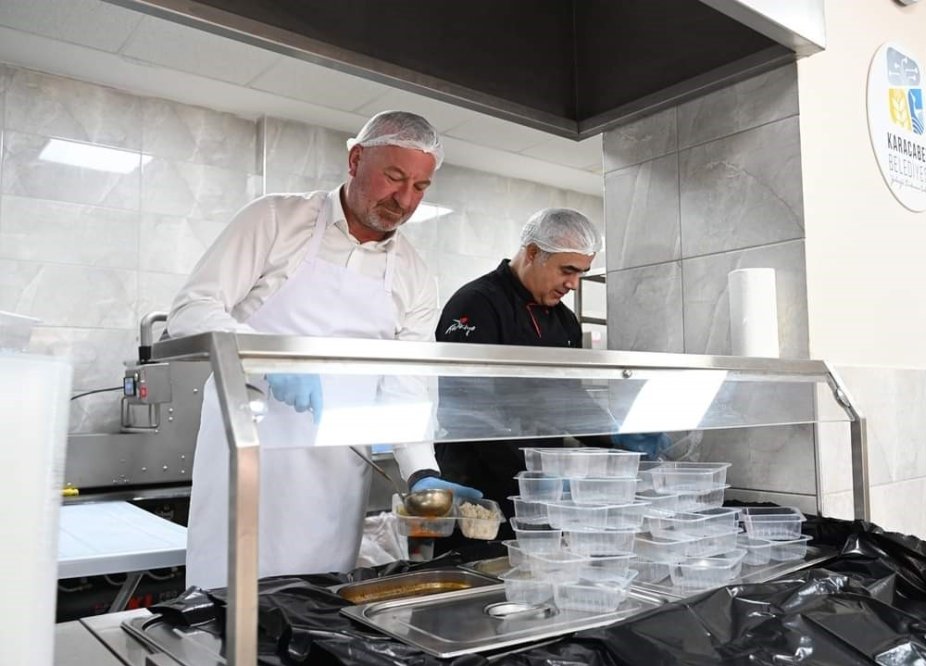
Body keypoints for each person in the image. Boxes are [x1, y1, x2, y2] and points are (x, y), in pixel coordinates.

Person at [168, 111, 481, 589]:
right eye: (394, 177)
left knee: (316, 603)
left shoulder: (416, 274)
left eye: (420, 187)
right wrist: (270, 360)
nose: (404, 199)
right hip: (251, 455)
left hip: (337, 471)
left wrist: (421, 472)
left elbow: (406, 384)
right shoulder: (276, 219)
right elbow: (191, 311)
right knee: (227, 599)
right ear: (356, 160)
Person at [434, 208, 671, 542]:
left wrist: (614, 436)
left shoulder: (564, 321)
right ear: (532, 253)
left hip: (542, 492)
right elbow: (470, 413)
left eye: (581, 272)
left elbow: (569, 400)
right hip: (481, 489)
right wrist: (535, 474)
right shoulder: (476, 304)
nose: (573, 284)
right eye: (568, 270)